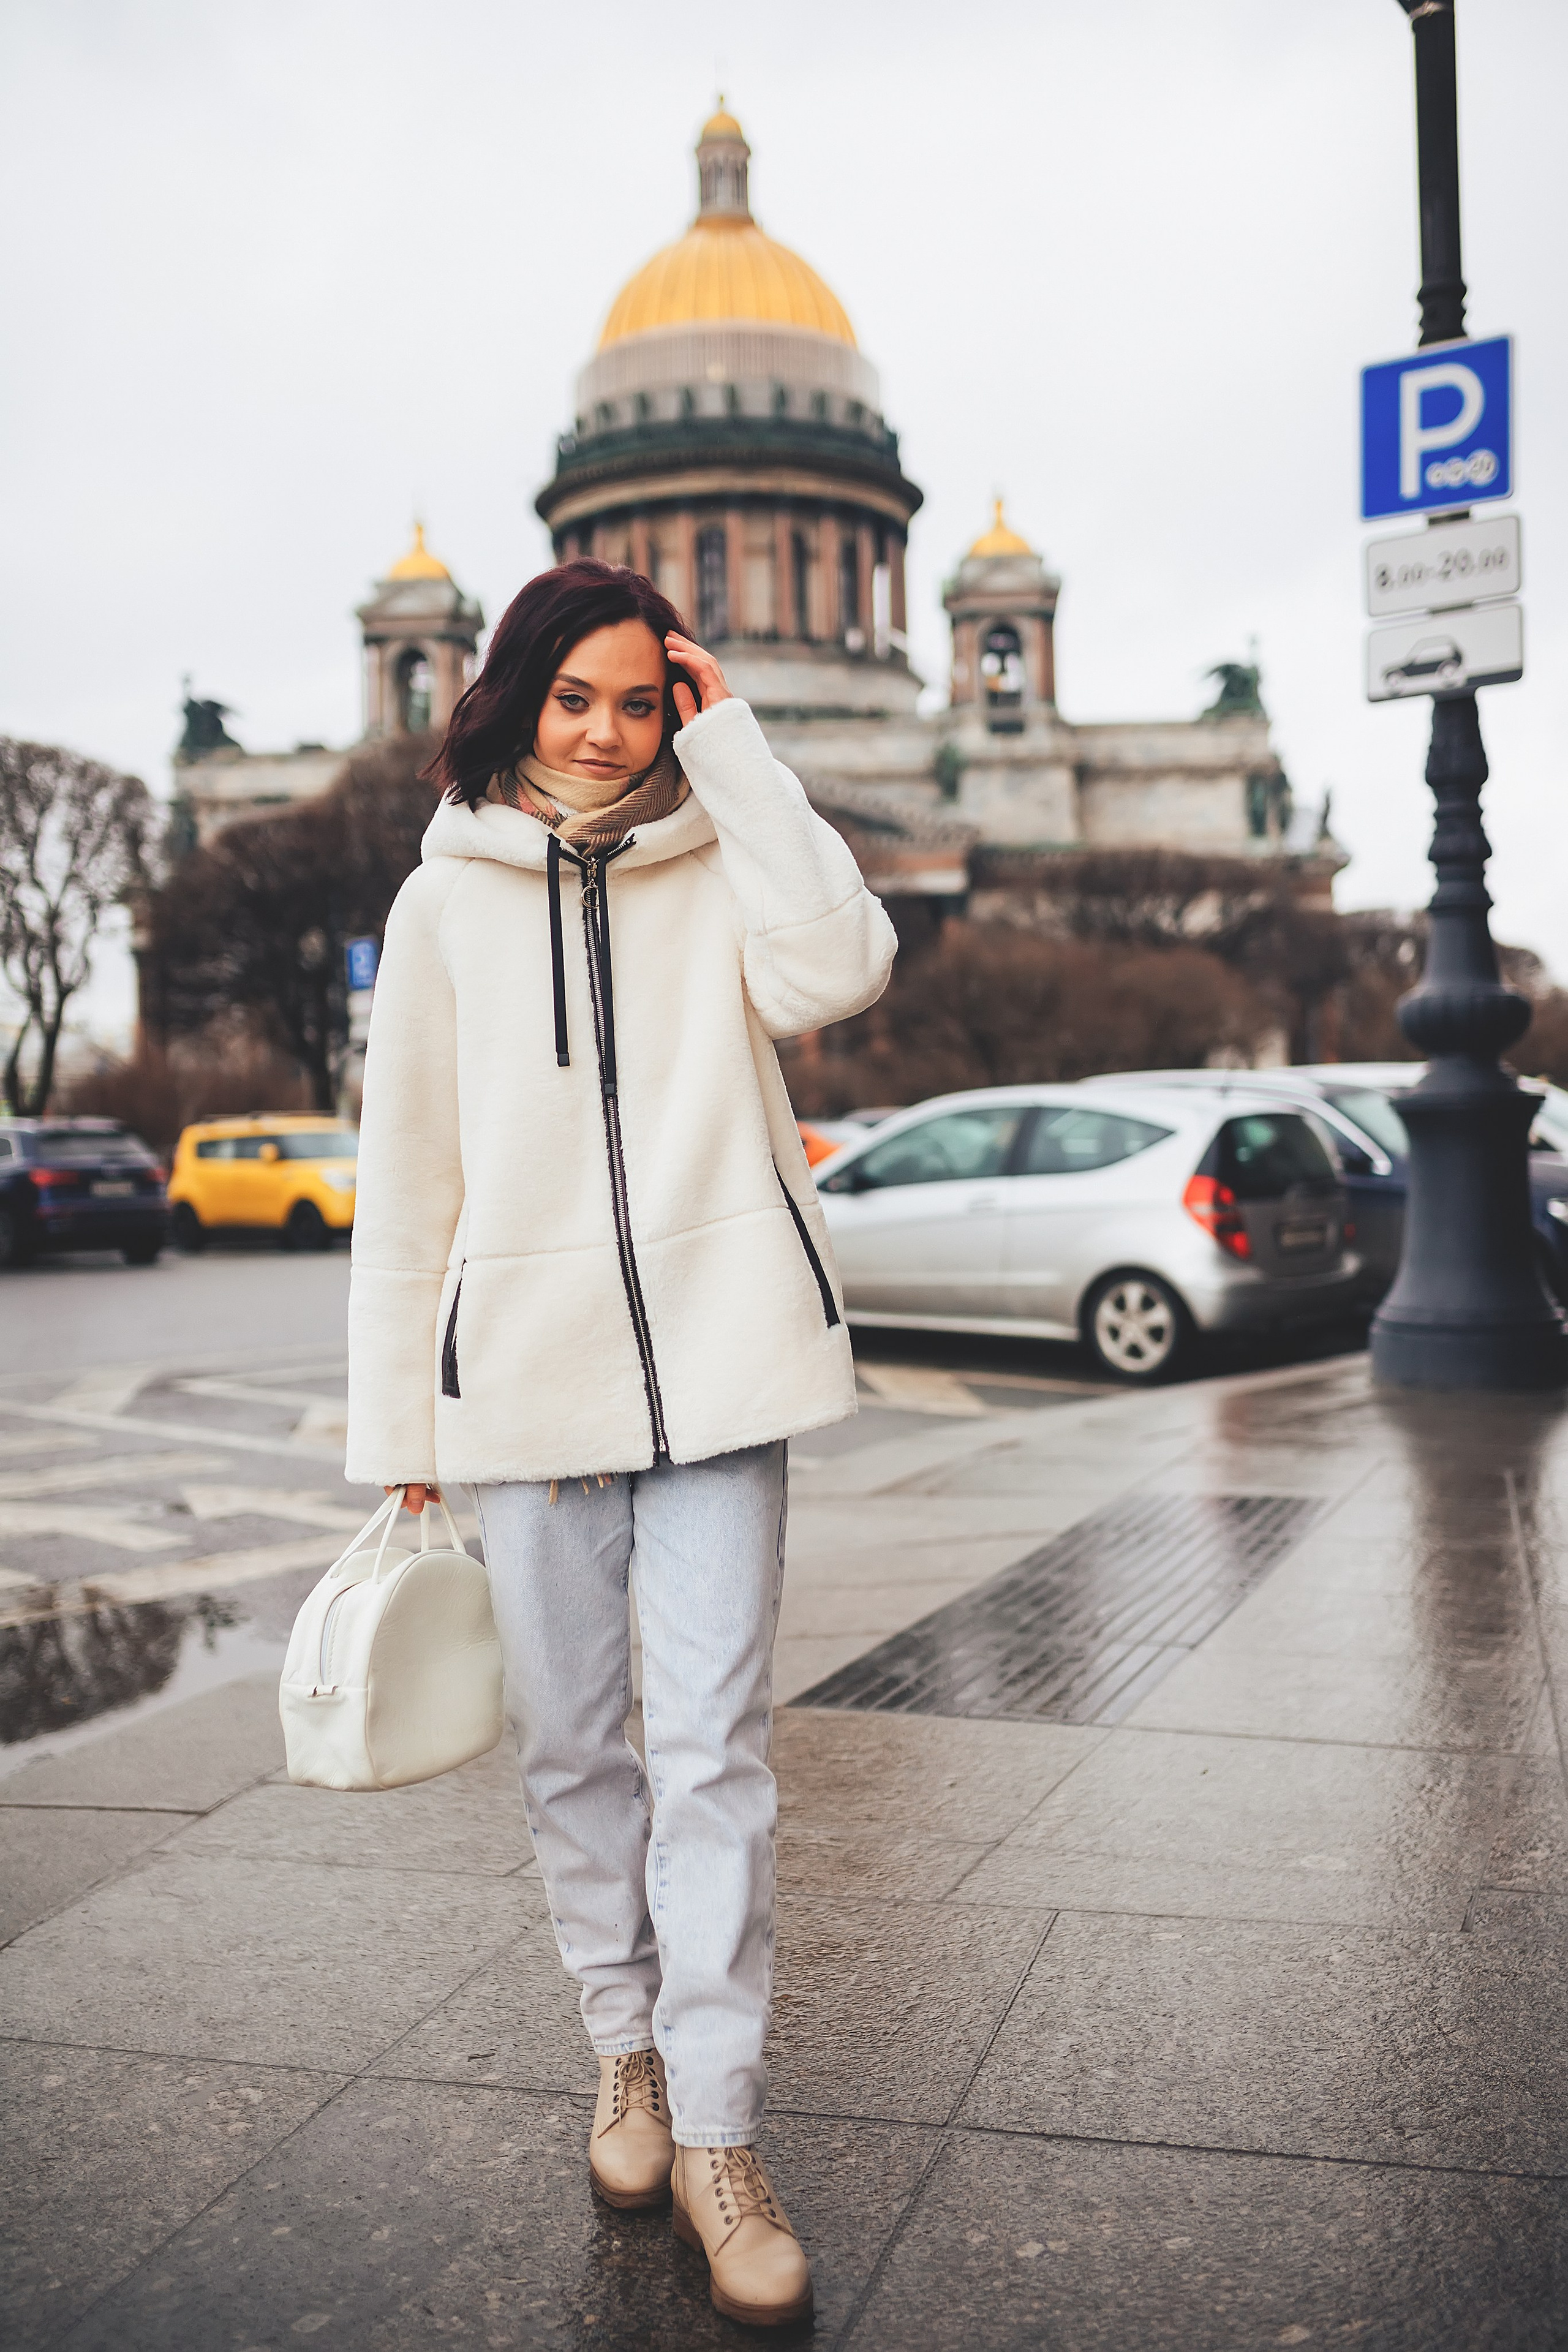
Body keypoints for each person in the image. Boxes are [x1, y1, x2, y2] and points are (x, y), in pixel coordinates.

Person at [345, 558, 895, 2328]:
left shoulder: (727, 852)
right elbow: (407, 1172)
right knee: (575, 1751)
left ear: (680, 708)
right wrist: (403, 1421)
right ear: (516, 698)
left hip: (726, 1370)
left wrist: (740, 757)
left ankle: (722, 2135)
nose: (602, 734)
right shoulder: (442, 902)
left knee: (716, 1758)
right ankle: (627, 2055)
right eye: (572, 698)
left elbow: (843, 970)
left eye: (640, 702)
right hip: (528, 1389)